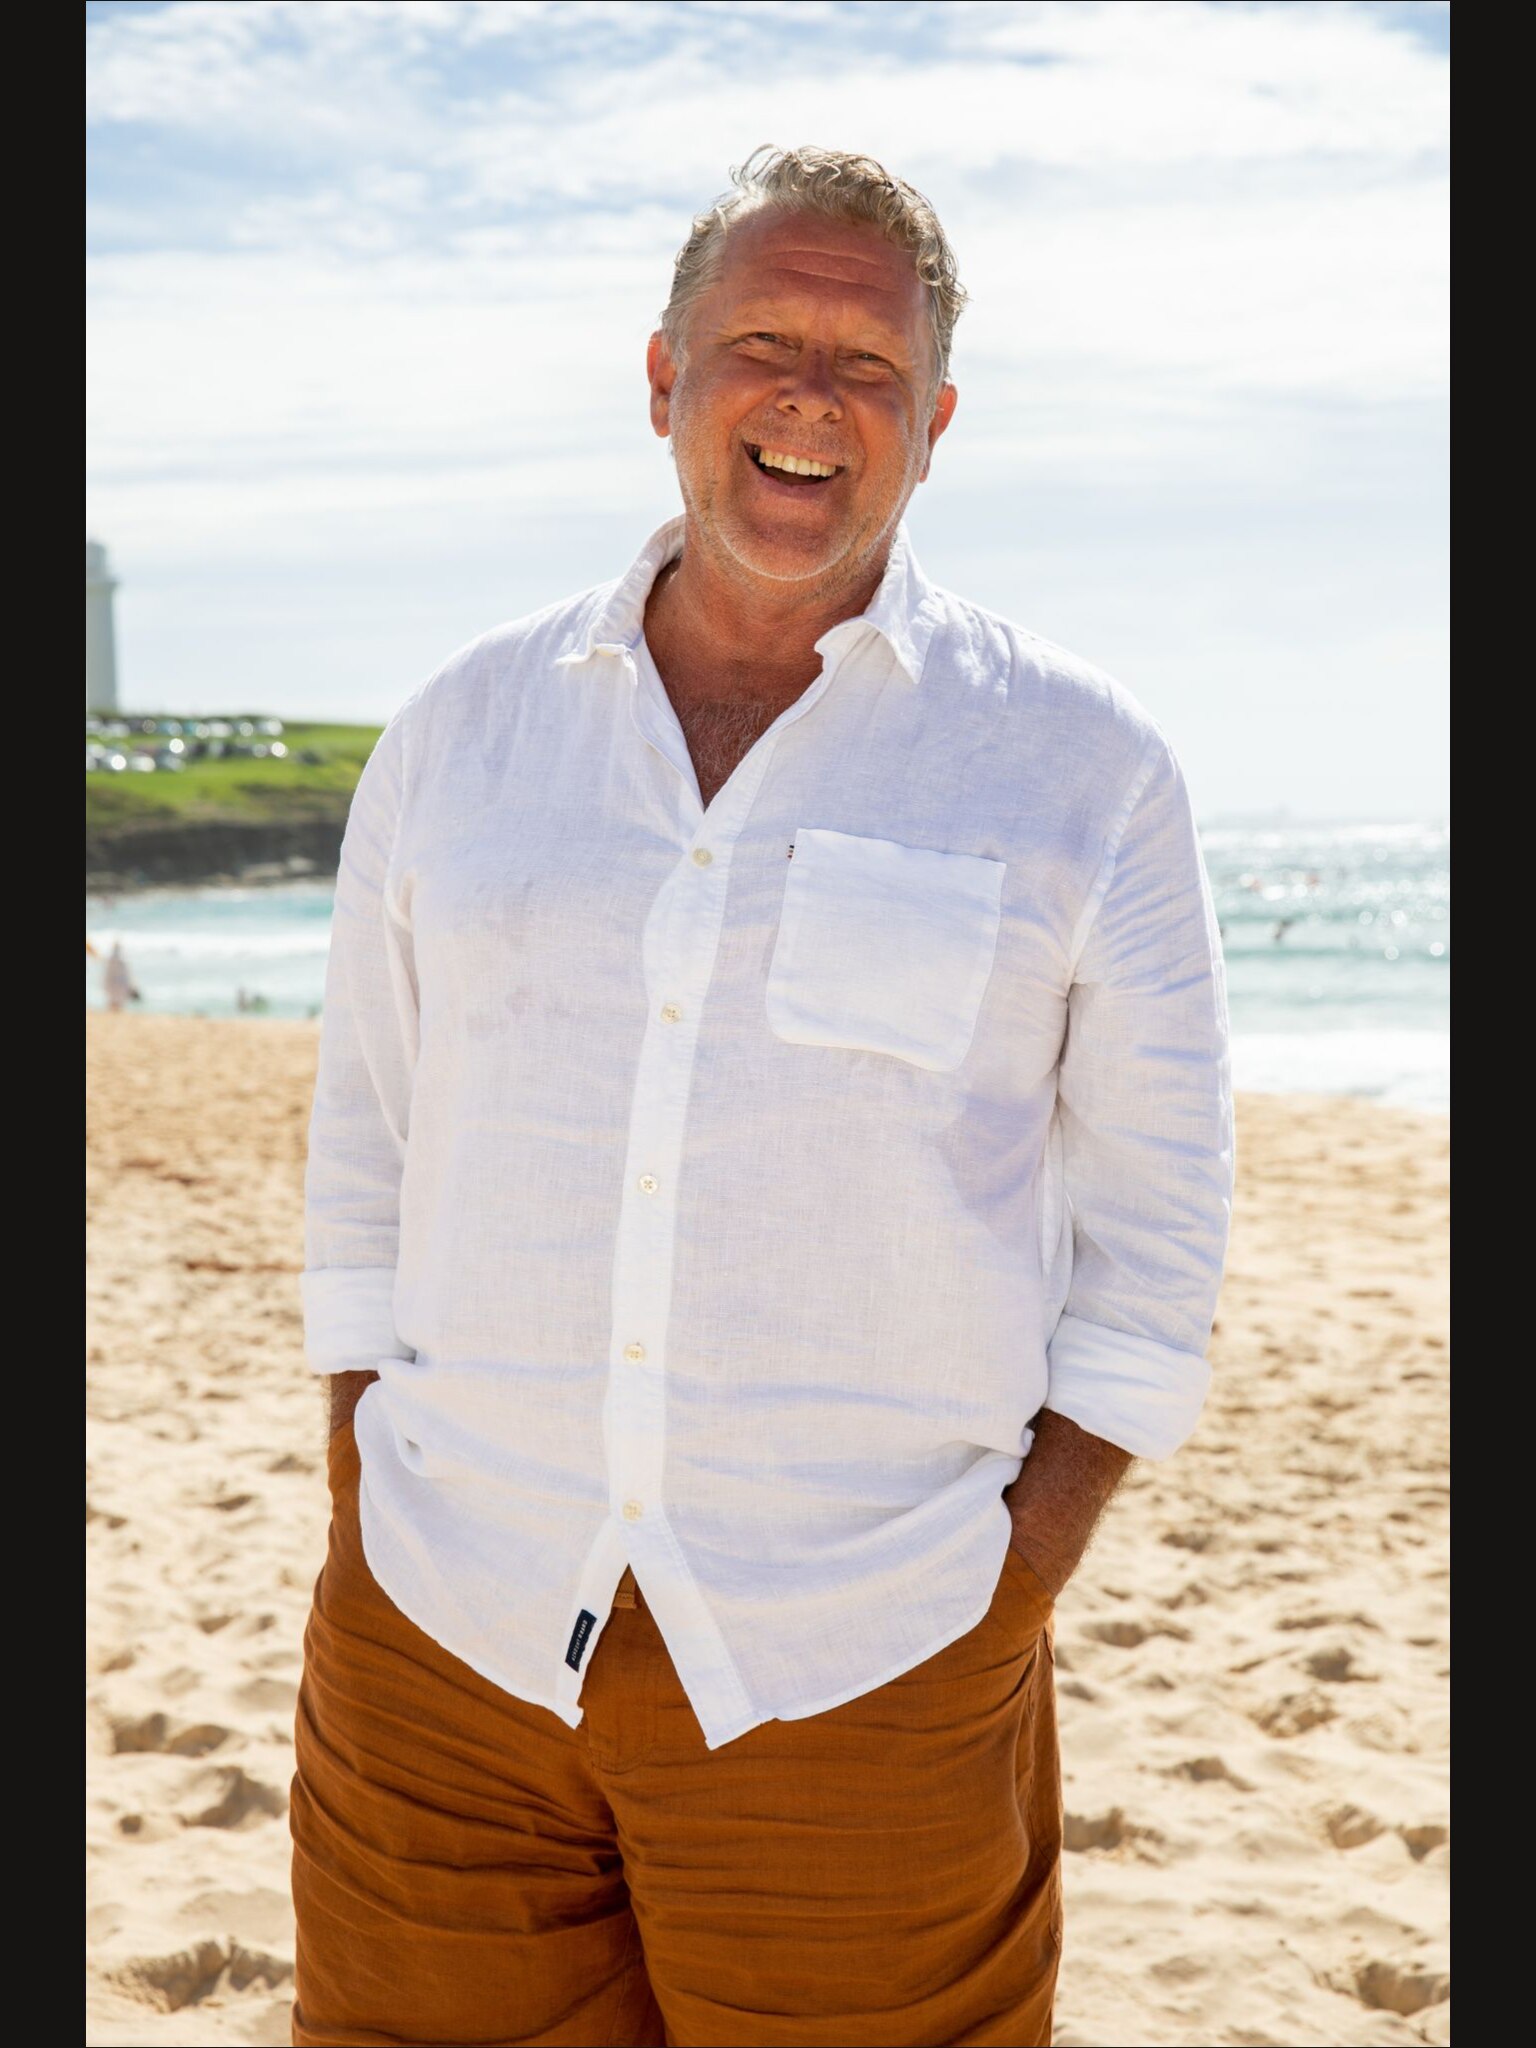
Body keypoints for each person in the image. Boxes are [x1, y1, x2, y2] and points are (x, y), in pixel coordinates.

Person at [294, 145, 1233, 2048]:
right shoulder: (461, 733)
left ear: (936, 420)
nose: (812, 396)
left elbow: (1156, 1238)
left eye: (870, 363)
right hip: (440, 1642)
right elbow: (368, 1154)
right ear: (661, 379)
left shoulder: (1079, 763)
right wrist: (359, 1499)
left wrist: (1006, 1584)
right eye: (760, 342)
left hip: (866, 1660)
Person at [102, 941, 136, 1012]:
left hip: (112, 983)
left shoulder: (110, 959)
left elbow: (106, 973)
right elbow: (127, 974)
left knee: (113, 1001)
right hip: (120, 983)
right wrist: (131, 985)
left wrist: (105, 983)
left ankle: (112, 1016)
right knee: (119, 1002)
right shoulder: (123, 959)